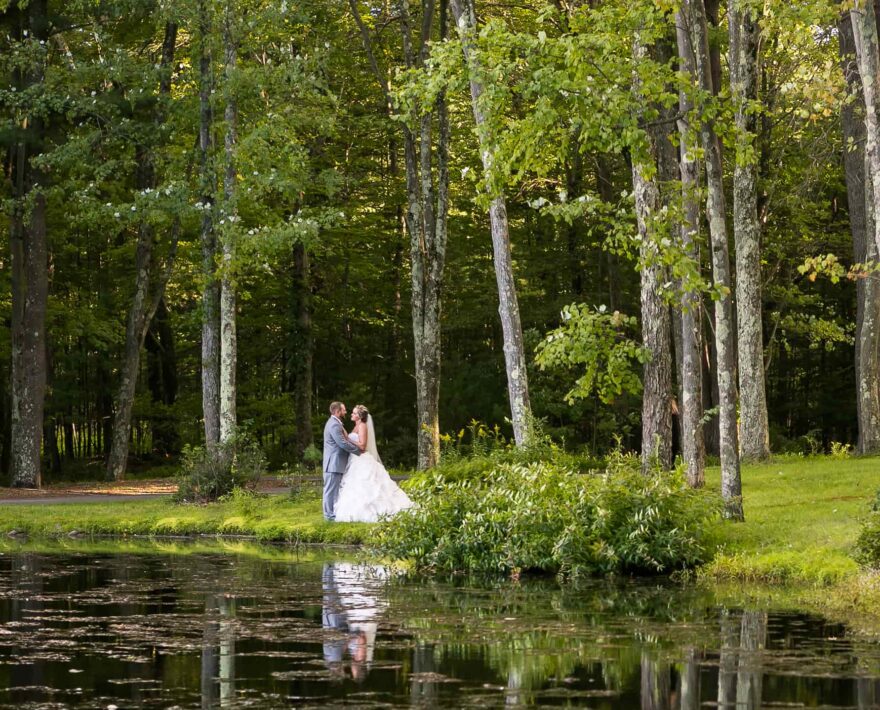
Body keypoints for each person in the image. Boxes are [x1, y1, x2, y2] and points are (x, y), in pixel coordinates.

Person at [333, 404, 414, 523]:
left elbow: (362, 445)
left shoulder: (362, 426)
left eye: (354, 413)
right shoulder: (356, 426)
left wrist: (347, 438)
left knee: (368, 485)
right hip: (355, 460)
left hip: (361, 459)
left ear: (360, 416)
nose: (352, 414)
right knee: (354, 486)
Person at [322, 402, 361, 522]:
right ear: (338, 411)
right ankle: (329, 516)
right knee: (330, 491)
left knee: (334, 491)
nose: (345, 412)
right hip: (333, 464)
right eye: (343, 410)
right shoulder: (334, 424)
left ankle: (332, 514)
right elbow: (342, 443)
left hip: (336, 463)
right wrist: (358, 451)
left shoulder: (336, 423)